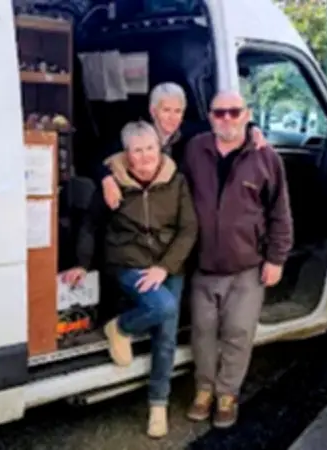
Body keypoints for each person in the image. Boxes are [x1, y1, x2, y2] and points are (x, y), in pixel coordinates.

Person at [62, 120, 198, 438]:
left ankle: (158, 405)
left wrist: (165, 267)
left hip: (168, 265)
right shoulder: (113, 183)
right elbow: (91, 225)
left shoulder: (176, 181)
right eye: (138, 150)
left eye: (150, 148)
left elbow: (188, 228)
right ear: (127, 155)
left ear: (159, 148)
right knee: (164, 307)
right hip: (127, 262)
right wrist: (82, 263)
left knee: (166, 335)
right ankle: (120, 328)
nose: (146, 156)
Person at [181, 91, 293, 428]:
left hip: (247, 267)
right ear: (210, 116)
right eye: (219, 113)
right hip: (202, 265)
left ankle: (226, 395)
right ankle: (204, 390)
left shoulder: (266, 157)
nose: (226, 119)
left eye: (234, 112)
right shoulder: (194, 149)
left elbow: (280, 213)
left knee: (238, 333)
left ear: (247, 115)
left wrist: (276, 258)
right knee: (202, 333)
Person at [97, 82, 268, 210]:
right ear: (153, 111)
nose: (172, 117)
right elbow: (96, 159)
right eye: (166, 110)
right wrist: (107, 180)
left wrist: (251, 128)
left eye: (178, 111)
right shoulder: (138, 135)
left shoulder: (191, 132)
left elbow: (224, 123)